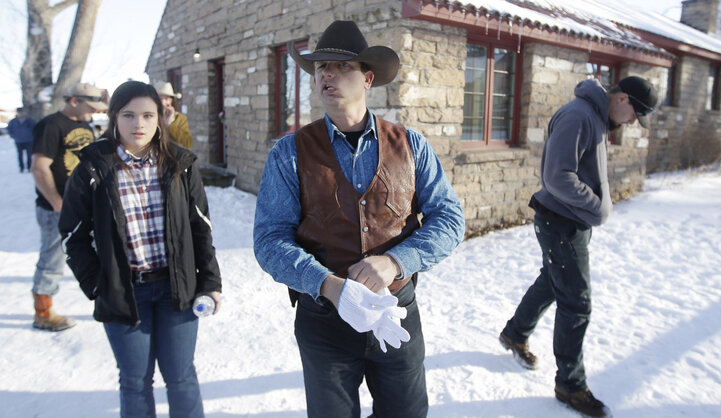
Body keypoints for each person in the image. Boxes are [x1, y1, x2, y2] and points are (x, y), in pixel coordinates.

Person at [253, 20, 465, 418]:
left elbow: (450, 218)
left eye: (340, 66)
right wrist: (327, 285)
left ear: (367, 79)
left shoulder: (411, 144)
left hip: (395, 312)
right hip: (325, 321)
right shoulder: (288, 153)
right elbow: (269, 240)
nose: (326, 74)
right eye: (320, 68)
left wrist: (396, 261)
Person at [59, 80, 222, 418]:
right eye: (129, 115)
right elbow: (72, 236)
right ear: (114, 117)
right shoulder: (92, 167)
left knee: (181, 377)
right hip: (124, 292)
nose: (139, 125)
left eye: (148, 115)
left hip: (176, 290)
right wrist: (96, 284)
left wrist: (209, 283)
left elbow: (200, 230)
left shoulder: (180, 164)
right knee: (135, 381)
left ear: (160, 118)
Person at [498, 76, 658, 417]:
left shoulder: (595, 117)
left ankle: (515, 333)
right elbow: (558, 177)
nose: (632, 122)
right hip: (561, 223)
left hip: (568, 221)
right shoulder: (579, 116)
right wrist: (597, 207)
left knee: (553, 282)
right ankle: (570, 385)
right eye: (635, 114)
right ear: (623, 98)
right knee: (577, 303)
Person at [30, 82, 108, 331]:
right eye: (91, 106)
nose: (95, 112)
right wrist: (57, 203)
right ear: (74, 101)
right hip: (57, 208)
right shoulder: (51, 125)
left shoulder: (85, 124)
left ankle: (105, 298)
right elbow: (39, 167)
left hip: (84, 206)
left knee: (95, 252)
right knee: (52, 259)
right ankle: (43, 312)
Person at [155, 82, 193, 149]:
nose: (163, 103)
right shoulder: (149, 118)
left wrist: (169, 124)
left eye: (166, 99)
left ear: (171, 101)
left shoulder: (180, 118)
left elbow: (188, 143)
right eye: (159, 99)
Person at [7, 107, 36, 172]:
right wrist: (14, 136)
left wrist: (32, 136)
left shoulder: (30, 121)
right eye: (19, 112)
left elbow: (35, 129)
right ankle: (21, 168)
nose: (21, 114)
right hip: (19, 141)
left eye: (22, 112)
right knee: (20, 155)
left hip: (29, 140)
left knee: (29, 155)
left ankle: (29, 167)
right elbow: (9, 130)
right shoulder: (13, 122)